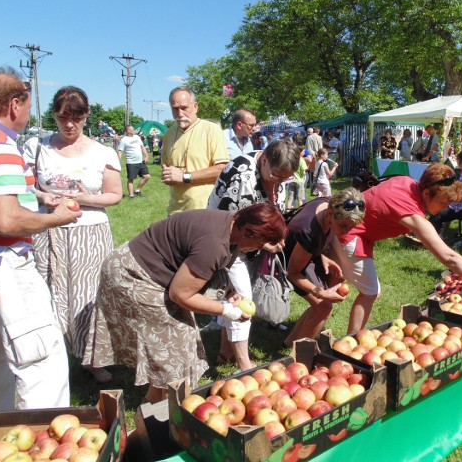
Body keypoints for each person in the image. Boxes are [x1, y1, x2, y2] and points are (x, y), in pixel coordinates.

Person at [84, 203, 286, 403]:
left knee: (180, 345)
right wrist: (227, 311)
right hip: (132, 275)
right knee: (174, 347)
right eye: (258, 244)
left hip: (153, 271)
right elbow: (181, 295)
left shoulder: (232, 224)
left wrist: (229, 291)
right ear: (249, 231)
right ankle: (156, 410)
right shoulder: (214, 243)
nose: (257, 250)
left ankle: (157, 404)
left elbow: (211, 267)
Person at [0, 67, 81, 411]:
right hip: (8, 267)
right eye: (28, 106)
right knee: (42, 361)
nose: (29, 114)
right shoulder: (2, 147)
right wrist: (55, 218)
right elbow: (5, 218)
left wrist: (40, 197)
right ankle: (46, 437)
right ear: (15, 104)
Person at [22, 86, 123, 384]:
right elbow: (24, 186)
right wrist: (43, 197)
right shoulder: (36, 146)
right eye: (63, 117)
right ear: (54, 114)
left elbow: (114, 195)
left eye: (76, 118)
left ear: (86, 116)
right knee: (48, 292)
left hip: (88, 234)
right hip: (48, 232)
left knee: (89, 295)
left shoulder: (103, 152)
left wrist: (85, 198)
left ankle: (93, 359)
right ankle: (51, 356)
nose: (69, 125)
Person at [330, 164, 462, 333]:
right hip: (350, 234)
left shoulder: (408, 182)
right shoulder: (410, 212)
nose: (446, 208)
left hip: (344, 227)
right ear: (427, 193)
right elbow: (449, 257)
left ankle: (313, 336)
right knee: (370, 292)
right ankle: (350, 341)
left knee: (327, 292)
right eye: (443, 202)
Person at [208, 138, 300, 370]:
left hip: (248, 242)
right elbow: (234, 232)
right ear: (265, 160)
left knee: (234, 295)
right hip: (227, 244)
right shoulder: (242, 179)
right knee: (242, 300)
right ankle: (243, 363)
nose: (280, 181)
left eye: (285, 178)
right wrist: (262, 244)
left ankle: (224, 352)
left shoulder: (268, 164)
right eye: (278, 175)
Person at [284, 189, 366, 344]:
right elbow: (292, 273)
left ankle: (290, 343)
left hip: (305, 252)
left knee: (322, 305)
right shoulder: (309, 231)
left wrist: (322, 256)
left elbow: (310, 246)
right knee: (323, 307)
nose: (346, 232)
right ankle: (301, 354)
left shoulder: (330, 203)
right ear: (330, 214)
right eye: (343, 226)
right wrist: (320, 293)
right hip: (287, 261)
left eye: (351, 226)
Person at [162, 87, 229, 215]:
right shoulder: (168, 134)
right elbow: (167, 169)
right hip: (174, 211)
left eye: (184, 108)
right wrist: (168, 176)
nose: (180, 113)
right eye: (175, 109)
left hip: (204, 210)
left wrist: (185, 177)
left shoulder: (211, 130)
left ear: (195, 106)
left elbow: (222, 169)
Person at [117, 125, 150, 198]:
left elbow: (142, 147)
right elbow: (120, 151)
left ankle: (137, 190)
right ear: (128, 131)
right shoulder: (124, 140)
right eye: (132, 130)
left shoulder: (137, 137)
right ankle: (131, 195)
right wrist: (117, 162)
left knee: (146, 176)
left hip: (140, 162)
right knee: (131, 179)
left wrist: (146, 156)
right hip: (131, 163)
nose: (134, 131)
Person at [286, 141, 308, 210]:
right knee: (300, 198)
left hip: (292, 181)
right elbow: (304, 172)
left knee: (290, 197)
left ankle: (288, 209)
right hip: (299, 181)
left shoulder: (293, 159)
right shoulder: (302, 160)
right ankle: (300, 211)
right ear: (300, 152)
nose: (304, 153)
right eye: (303, 151)